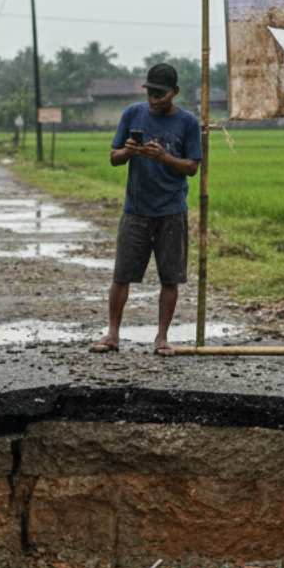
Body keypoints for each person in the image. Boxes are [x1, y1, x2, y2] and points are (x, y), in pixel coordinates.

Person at [89, 63, 202, 356]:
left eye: (160, 94)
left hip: (172, 210)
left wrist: (163, 157)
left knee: (170, 277)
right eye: (150, 93)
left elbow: (192, 167)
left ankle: (162, 338)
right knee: (122, 274)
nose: (154, 99)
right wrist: (128, 151)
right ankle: (112, 335)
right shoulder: (132, 113)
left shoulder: (188, 122)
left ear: (174, 93)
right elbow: (114, 158)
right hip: (136, 209)